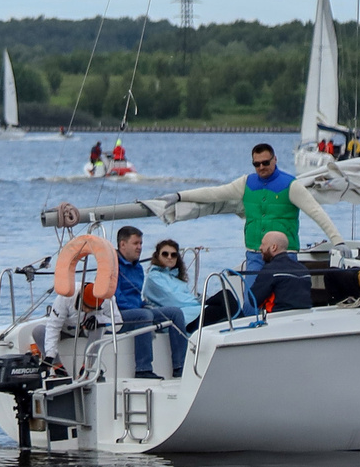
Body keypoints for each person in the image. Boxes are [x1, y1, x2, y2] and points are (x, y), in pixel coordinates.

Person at [175, 142, 341, 311]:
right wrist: (179, 196)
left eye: (265, 163)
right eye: (256, 164)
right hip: (255, 254)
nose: (261, 167)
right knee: (250, 303)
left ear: (275, 160)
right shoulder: (246, 183)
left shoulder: (291, 185)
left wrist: (338, 241)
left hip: (285, 255)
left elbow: (317, 212)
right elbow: (214, 193)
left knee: (284, 303)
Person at [110, 227, 188, 378]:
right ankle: (143, 369)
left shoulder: (137, 268)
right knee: (144, 315)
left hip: (137, 311)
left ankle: (180, 367)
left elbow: (135, 295)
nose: (140, 247)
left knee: (175, 313)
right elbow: (115, 298)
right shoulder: (112, 267)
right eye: (136, 243)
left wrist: (143, 305)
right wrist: (140, 309)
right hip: (117, 315)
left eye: (141, 243)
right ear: (123, 244)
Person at [251, 231, 313, 313]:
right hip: (305, 314)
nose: (260, 247)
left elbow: (254, 299)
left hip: (278, 315)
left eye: (263, 244)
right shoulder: (303, 269)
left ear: (273, 247)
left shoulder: (270, 270)